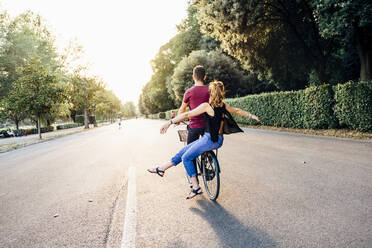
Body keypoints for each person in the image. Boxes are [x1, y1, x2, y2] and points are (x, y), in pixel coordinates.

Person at [147, 81, 260, 199]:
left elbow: (187, 115)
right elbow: (236, 110)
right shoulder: (222, 105)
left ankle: (196, 188)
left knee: (186, 157)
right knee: (184, 151)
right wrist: (251, 115)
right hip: (217, 139)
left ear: (211, 93)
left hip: (209, 140)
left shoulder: (207, 106)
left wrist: (169, 122)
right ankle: (161, 168)